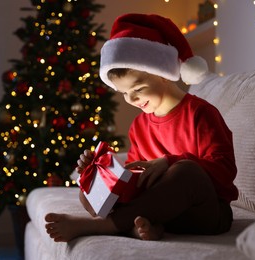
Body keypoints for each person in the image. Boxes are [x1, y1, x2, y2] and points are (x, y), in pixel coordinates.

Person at [44, 13, 238, 242]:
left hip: (205, 212)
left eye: (138, 88)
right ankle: (141, 226)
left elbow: (224, 170)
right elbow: (135, 182)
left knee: (186, 171)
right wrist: (100, 175)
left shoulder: (200, 113)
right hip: (161, 211)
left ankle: (105, 226)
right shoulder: (139, 126)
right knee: (89, 192)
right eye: (124, 93)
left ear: (162, 73)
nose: (132, 99)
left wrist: (169, 162)